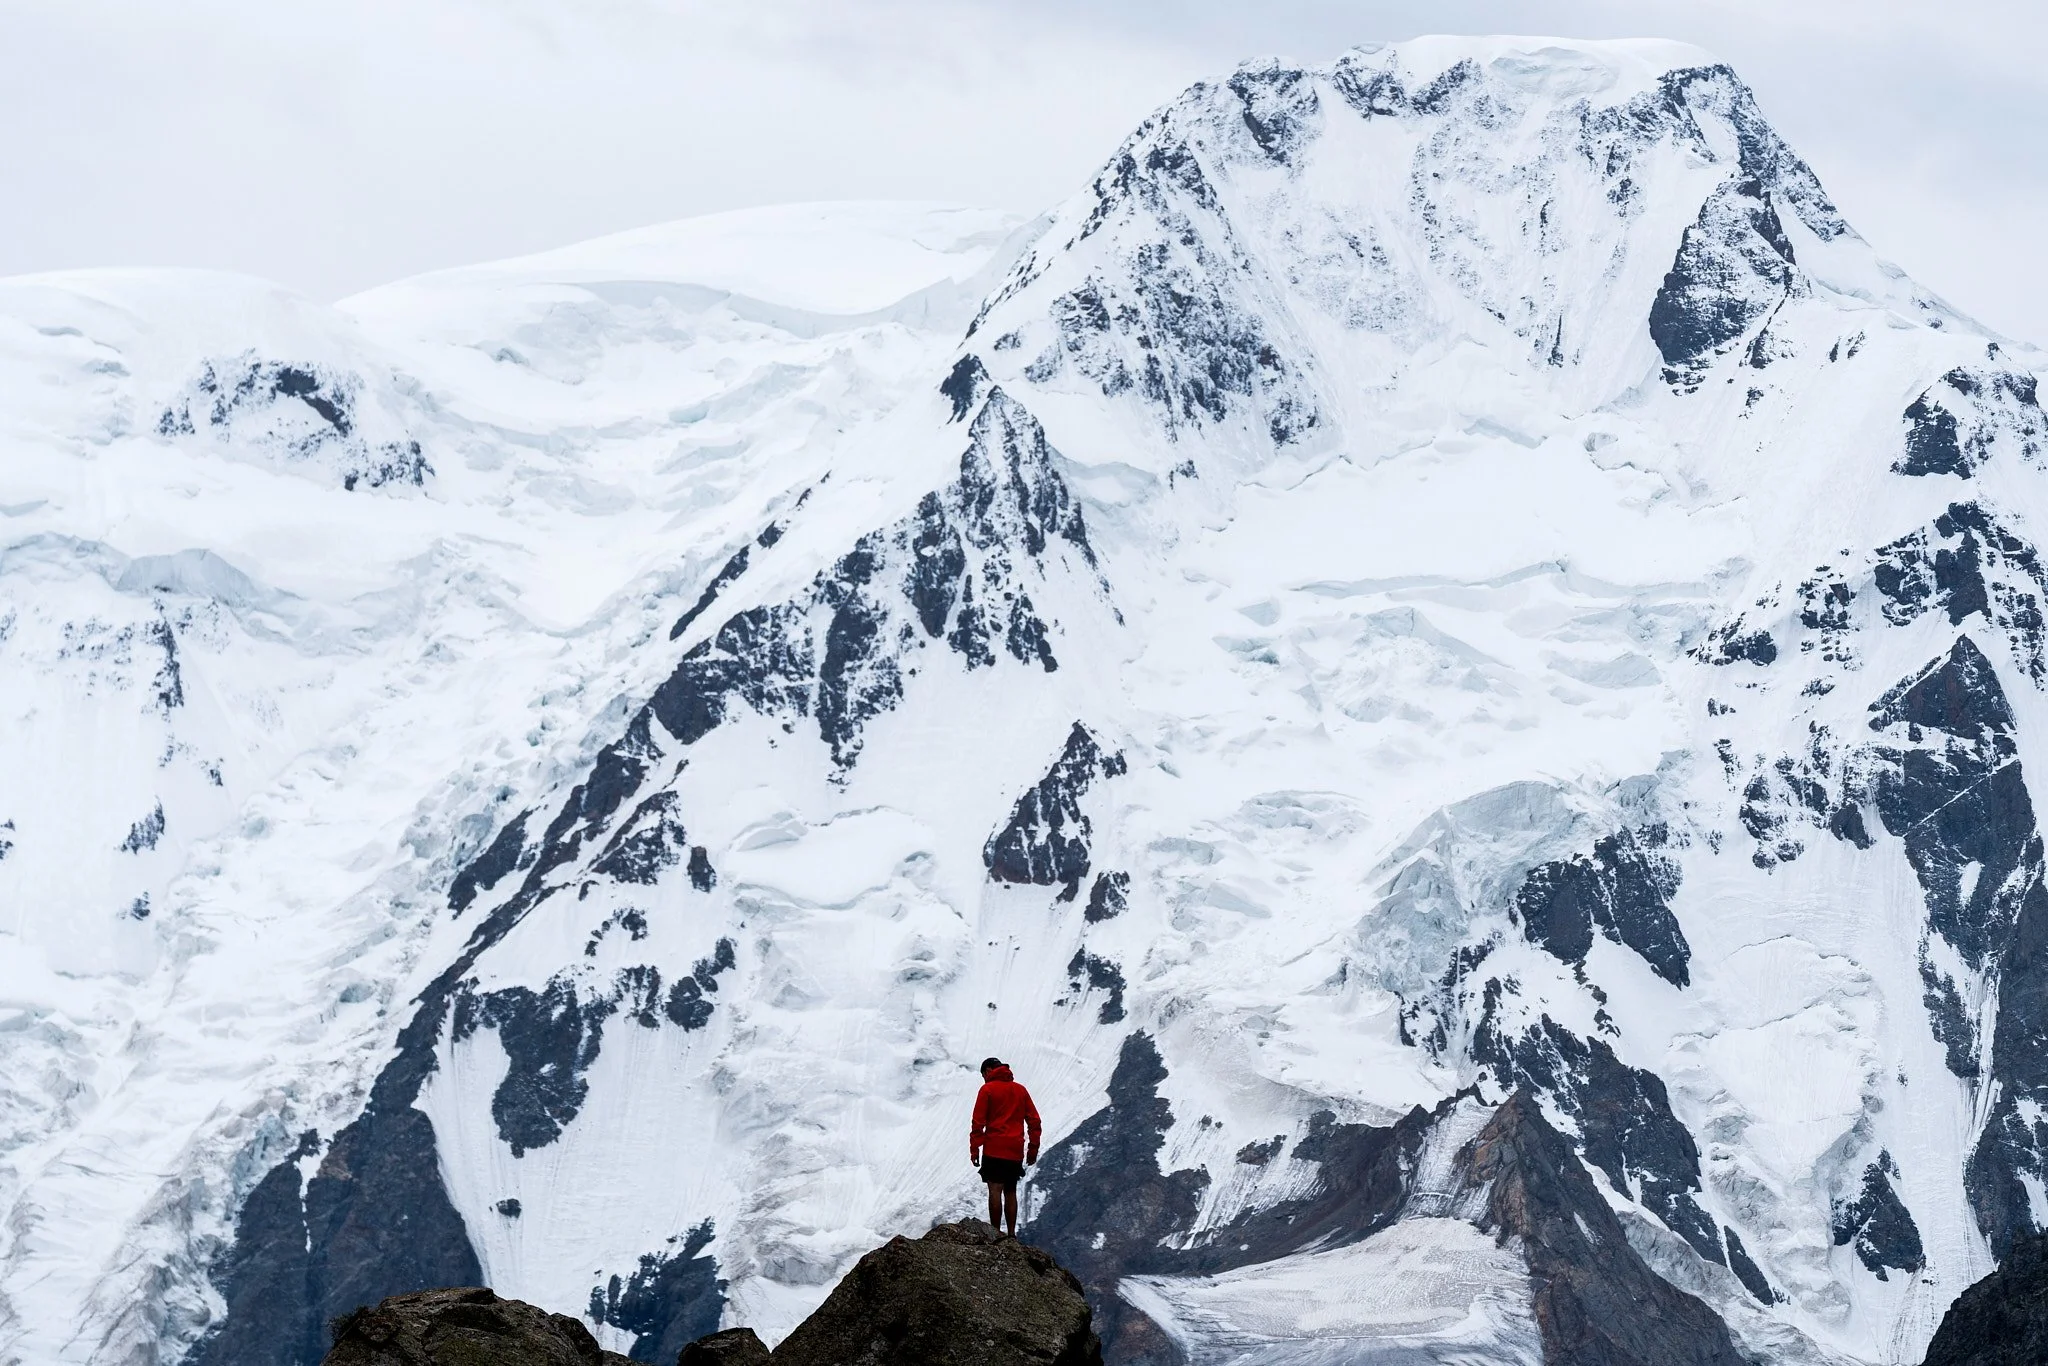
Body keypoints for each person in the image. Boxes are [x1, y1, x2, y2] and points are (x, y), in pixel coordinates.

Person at [969, 1056, 1041, 1236]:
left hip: (994, 1147)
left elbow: (978, 1123)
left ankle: (995, 1233)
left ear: (987, 1071)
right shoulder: (1020, 1090)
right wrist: (1032, 1149)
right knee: (1010, 1190)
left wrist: (975, 1148)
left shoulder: (987, 1090)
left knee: (995, 1189)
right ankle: (1011, 1234)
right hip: (1014, 1150)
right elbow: (1034, 1121)